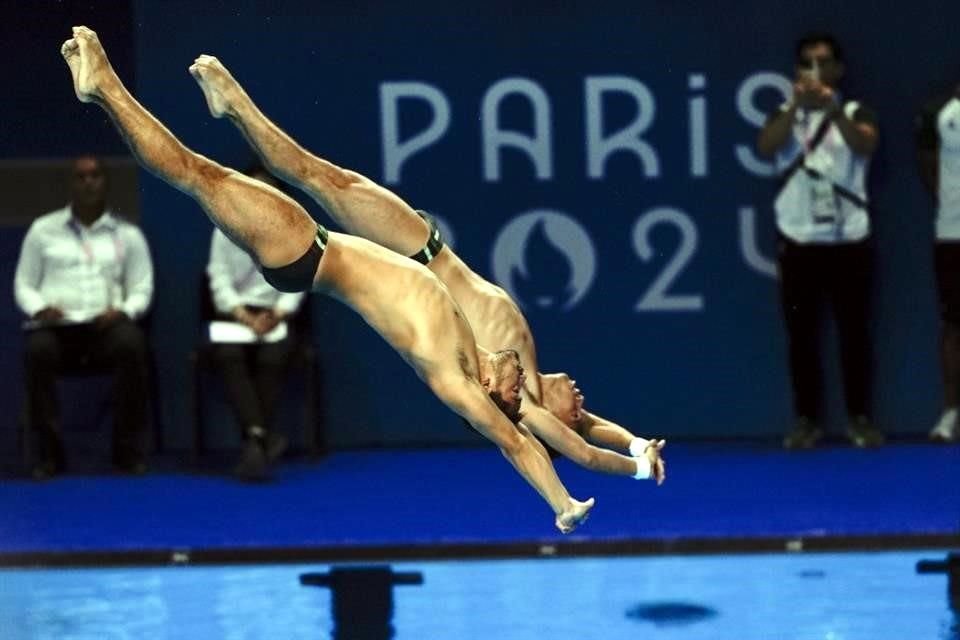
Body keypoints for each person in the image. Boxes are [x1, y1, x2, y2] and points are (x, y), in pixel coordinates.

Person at [61, 26, 592, 532]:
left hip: (306, 254)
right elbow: (548, 424)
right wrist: (635, 449)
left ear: (489, 396)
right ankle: (229, 106)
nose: (522, 381)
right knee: (290, 172)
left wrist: (561, 503)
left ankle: (105, 88)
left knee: (198, 174)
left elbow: (519, 442)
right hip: (313, 246)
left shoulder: (455, 379)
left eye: (513, 391)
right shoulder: (476, 342)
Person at [187, 54, 667, 484]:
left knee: (319, 178)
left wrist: (637, 471)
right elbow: (593, 430)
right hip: (425, 247)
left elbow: (584, 453)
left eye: (576, 412)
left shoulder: (524, 406)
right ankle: (235, 109)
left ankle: (236, 106)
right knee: (324, 177)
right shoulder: (534, 384)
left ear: (555, 427)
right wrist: (637, 443)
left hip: (415, 259)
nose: (583, 404)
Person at [756, 33, 884, 449]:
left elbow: (865, 143)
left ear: (837, 69)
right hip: (798, 238)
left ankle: (860, 419)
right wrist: (796, 107)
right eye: (806, 63)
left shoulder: (853, 110)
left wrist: (830, 107)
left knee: (854, 333)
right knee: (802, 335)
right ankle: (806, 421)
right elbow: (765, 146)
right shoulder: (782, 113)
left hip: (849, 237)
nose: (815, 69)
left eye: (823, 61)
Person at [14, 154, 154, 478]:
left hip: (106, 329)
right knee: (37, 350)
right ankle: (49, 454)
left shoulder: (127, 235)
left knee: (132, 344)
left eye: (95, 176)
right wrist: (39, 308)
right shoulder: (43, 230)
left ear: (106, 183)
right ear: (71, 184)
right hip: (58, 330)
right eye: (81, 177)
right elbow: (23, 284)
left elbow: (142, 287)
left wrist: (123, 310)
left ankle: (127, 450)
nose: (88, 182)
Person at [206, 164, 309, 479]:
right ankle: (261, 437)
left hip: (274, 316)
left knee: (273, 356)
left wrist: (276, 315)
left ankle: (254, 439)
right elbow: (218, 278)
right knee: (227, 355)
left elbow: (301, 280)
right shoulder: (223, 228)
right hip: (237, 317)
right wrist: (244, 317)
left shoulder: (293, 230)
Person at [916, 81, 960, 443]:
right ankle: (951, 412)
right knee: (954, 324)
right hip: (953, 233)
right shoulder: (940, 112)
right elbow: (930, 173)